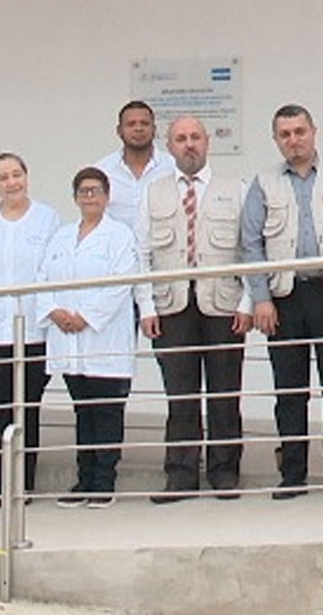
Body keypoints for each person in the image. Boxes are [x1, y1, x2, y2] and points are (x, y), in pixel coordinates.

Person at [241, 104, 323, 499]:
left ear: (314, 132)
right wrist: (260, 298)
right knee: (289, 389)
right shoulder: (263, 183)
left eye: (300, 131)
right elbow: (251, 245)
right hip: (284, 298)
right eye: (285, 134)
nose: (293, 140)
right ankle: (293, 473)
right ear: (276, 139)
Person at [139, 116, 252, 503]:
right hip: (171, 306)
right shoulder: (151, 193)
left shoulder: (235, 189)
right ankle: (181, 475)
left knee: (225, 391)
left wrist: (249, 302)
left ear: (208, 142)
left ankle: (224, 472)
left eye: (195, 138)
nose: (189, 145)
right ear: (168, 146)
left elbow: (250, 249)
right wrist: (145, 307)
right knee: (180, 393)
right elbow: (141, 254)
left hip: (223, 304)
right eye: (180, 139)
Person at [38, 167, 152, 509]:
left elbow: (121, 283)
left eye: (96, 191)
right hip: (68, 338)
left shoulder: (120, 236)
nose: (89, 197)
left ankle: (104, 481)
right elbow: (42, 279)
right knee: (82, 412)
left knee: (106, 412)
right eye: (83, 191)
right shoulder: (60, 236)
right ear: (75, 197)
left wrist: (85, 316)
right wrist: (55, 312)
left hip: (104, 338)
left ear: (107, 196)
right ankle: (83, 479)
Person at [0, 152, 61, 508]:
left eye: (17, 174)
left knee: (26, 409)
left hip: (33, 330)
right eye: (3, 177)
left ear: (27, 176)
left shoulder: (47, 218)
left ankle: (23, 484)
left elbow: (52, 270)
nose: (11, 183)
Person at [92, 101, 175, 236]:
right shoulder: (102, 171)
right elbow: (94, 217)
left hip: (162, 251)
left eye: (145, 123)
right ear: (119, 131)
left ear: (154, 129)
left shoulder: (172, 168)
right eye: (131, 124)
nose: (138, 129)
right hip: (115, 252)